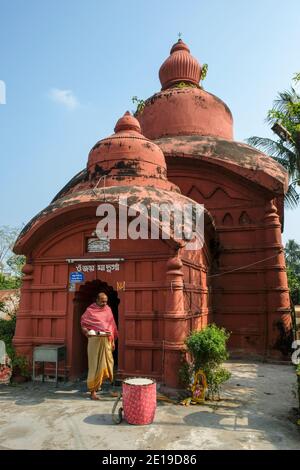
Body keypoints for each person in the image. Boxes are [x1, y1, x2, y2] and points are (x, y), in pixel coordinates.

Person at [80, 292, 118, 400]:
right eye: (102, 301)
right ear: (96, 300)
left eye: (106, 301)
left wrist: (113, 341)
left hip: (106, 340)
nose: (104, 303)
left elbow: (112, 326)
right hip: (95, 340)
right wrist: (86, 331)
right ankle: (93, 392)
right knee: (94, 365)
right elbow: (83, 324)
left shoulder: (108, 309)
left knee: (108, 363)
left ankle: (99, 385)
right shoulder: (90, 311)